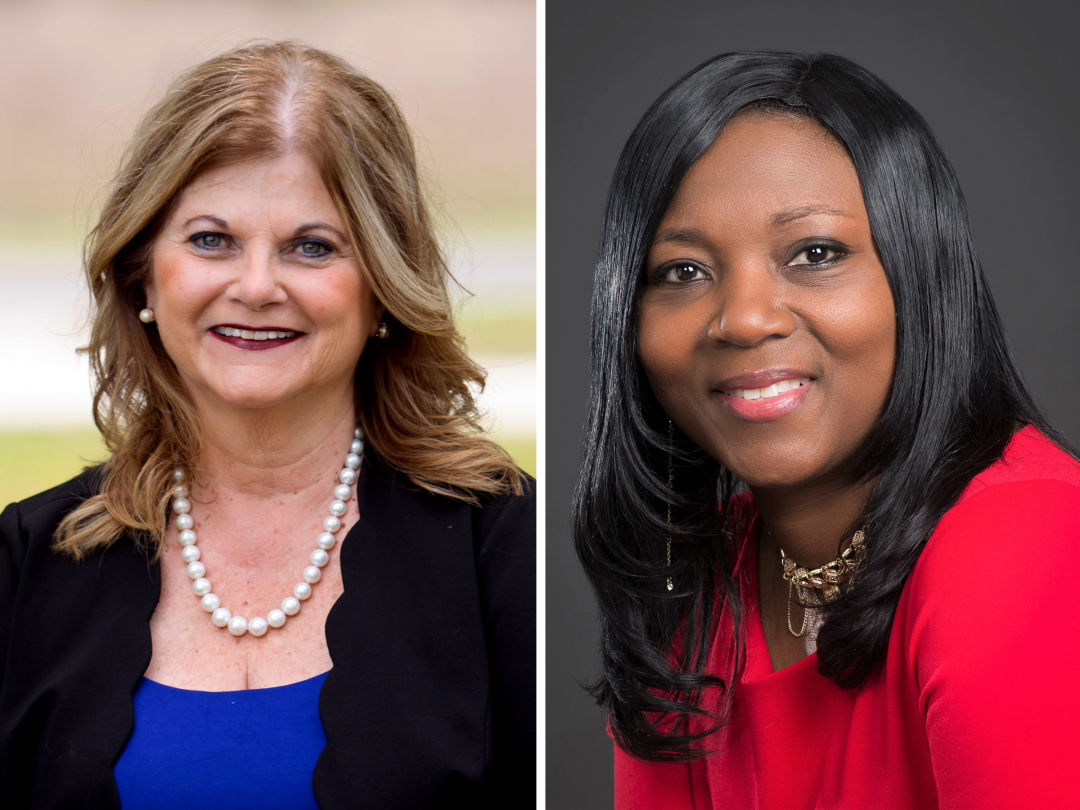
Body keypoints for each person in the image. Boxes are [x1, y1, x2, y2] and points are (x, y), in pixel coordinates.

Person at [0, 41, 534, 809]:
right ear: (143, 272)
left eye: (310, 247)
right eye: (211, 240)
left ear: (383, 286)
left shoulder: (511, 551)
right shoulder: (33, 558)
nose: (256, 287)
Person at [574, 51, 1080, 809]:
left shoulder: (1029, 540)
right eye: (682, 271)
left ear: (921, 276)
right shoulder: (697, 576)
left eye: (816, 254)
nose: (744, 319)